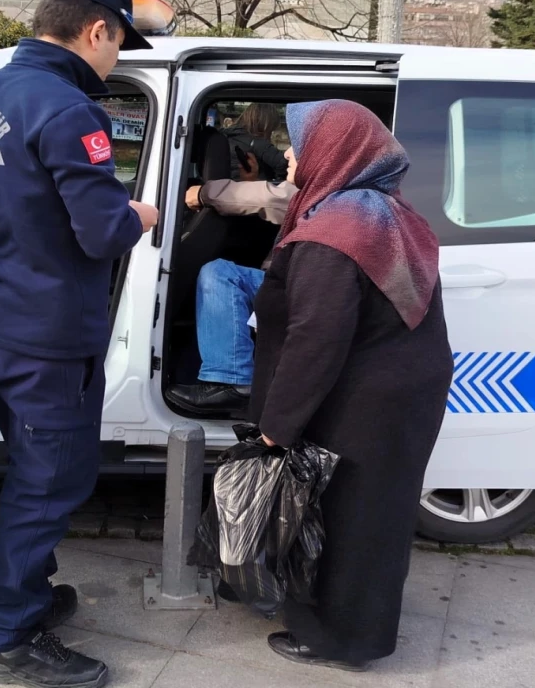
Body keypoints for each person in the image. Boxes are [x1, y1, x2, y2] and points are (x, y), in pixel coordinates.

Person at [0, 0, 160, 688]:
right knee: (49, 479)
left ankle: (29, 594)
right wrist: (140, 215)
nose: (115, 60)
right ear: (97, 30)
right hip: (49, 335)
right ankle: (9, 638)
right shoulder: (69, 111)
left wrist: (12, 246)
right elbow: (103, 233)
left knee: (35, 467)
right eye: (118, 44)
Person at [248, 100, 451, 672]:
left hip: (362, 401)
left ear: (331, 150)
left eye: (298, 142)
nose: (288, 153)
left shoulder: (335, 231)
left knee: (346, 518)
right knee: (378, 514)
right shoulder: (384, 211)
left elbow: (316, 339)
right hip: (400, 393)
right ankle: (363, 624)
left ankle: (339, 639)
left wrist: (276, 427)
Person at [167, 171, 296, 416]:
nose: (289, 154)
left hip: (299, 288)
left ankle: (232, 380)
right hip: (295, 282)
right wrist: (252, 178)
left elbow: (275, 198)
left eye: (296, 152)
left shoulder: (330, 188)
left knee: (220, 274)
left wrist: (205, 193)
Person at [223, 103, 289, 181]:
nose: (271, 134)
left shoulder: (227, 136)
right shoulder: (258, 143)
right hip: (254, 186)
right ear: (266, 125)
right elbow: (283, 164)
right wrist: (278, 181)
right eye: (272, 130)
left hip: (227, 185)